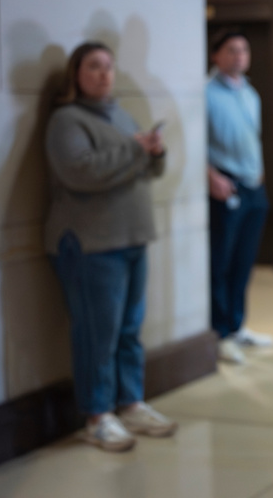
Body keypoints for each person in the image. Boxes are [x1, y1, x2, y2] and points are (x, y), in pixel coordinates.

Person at [44, 41, 177, 451]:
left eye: (108, 66)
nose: (104, 74)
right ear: (76, 75)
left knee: (129, 331)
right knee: (96, 334)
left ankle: (130, 402)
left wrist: (154, 151)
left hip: (132, 237)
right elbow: (83, 172)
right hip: (90, 245)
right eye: (94, 67)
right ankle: (97, 415)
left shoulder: (119, 114)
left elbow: (143, 168)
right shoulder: (67, 120)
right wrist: (135, 149)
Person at [206, 30, 273, 365]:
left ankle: (236, 326)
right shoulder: (205, 93)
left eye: (243, 50)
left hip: (253, 187)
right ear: (215, 56)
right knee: (221, 262)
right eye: (231, 50)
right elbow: (194, 143)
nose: (239, 56)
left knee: (244, 262)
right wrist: (210, 176)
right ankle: (220, 333)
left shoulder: (250, 92)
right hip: (225, 187)